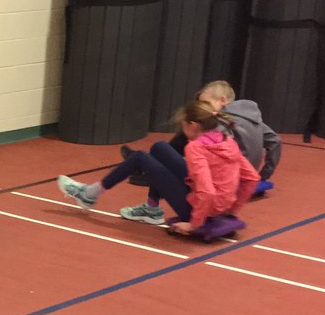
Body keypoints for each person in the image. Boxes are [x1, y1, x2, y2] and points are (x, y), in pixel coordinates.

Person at [59, 100, 259, 234]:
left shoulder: (195, 147)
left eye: (183, 125)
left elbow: (206, 190)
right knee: (160, 148)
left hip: (197, 208)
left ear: (193, 126)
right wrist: (231, 210)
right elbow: (252, 178)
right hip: (216, 205)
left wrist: (193, 224)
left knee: (139, 158)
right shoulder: (227, 141)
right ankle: (151, 209)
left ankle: (89, 194)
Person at [123, 80, 281, 188]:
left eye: (205, 103)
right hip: (244, 173)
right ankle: (147, 163)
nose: (202, 106)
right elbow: (275, 141)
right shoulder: (253, 118)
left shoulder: (222, 122)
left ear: (223, 100)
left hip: (230, 177)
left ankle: (148, 168)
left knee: (189, 134)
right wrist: (263, 175)